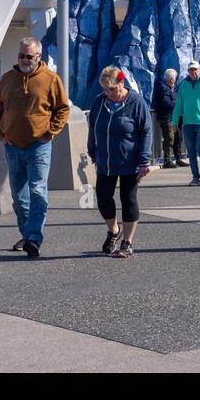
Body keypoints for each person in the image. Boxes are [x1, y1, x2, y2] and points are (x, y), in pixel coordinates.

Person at [0, 37, 70, 258]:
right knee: (19, 197)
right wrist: (0, 133)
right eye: (21, 56)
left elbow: (63, 109)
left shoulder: (51, 79)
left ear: (38, 57)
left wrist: (50, 132)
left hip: (39, 146)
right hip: (13, 146)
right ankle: (27, 235)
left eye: (29, 56)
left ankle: (34, 238)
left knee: (37, 191)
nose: (24, 60)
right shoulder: (7, 79)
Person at [86, 66, 154, 259]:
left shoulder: (136, 103)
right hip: (105, 161)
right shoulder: (99, 103)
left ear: (121, 83)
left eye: (112, 89)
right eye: (106, 90)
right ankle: (114, 230)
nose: (110, 94)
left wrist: (144, 160)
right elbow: (93, 128)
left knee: (128, 199)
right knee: (103, 198)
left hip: (129, 162)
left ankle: (128, 242)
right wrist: (92, 150)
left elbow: (146, 132)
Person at [170, 60, 200, 186]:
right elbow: (178, 105)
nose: (193, 72)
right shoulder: (184, 85)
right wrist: (175, 122)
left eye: (195, 69)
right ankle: (195, 177)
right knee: (191, 151)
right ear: (188, 71)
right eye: (191, 70)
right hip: (187, 123)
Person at [154, 68, 187, 169]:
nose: (176, 81)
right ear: (171, 79)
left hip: (174, 117)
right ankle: (167, 160)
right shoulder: (163, 88)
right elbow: (166, 103)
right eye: (175, 79)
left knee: (178, 138)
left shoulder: (171, 88)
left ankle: (178, 158)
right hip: (167, 118)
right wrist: (179, 104)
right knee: (169, 138)